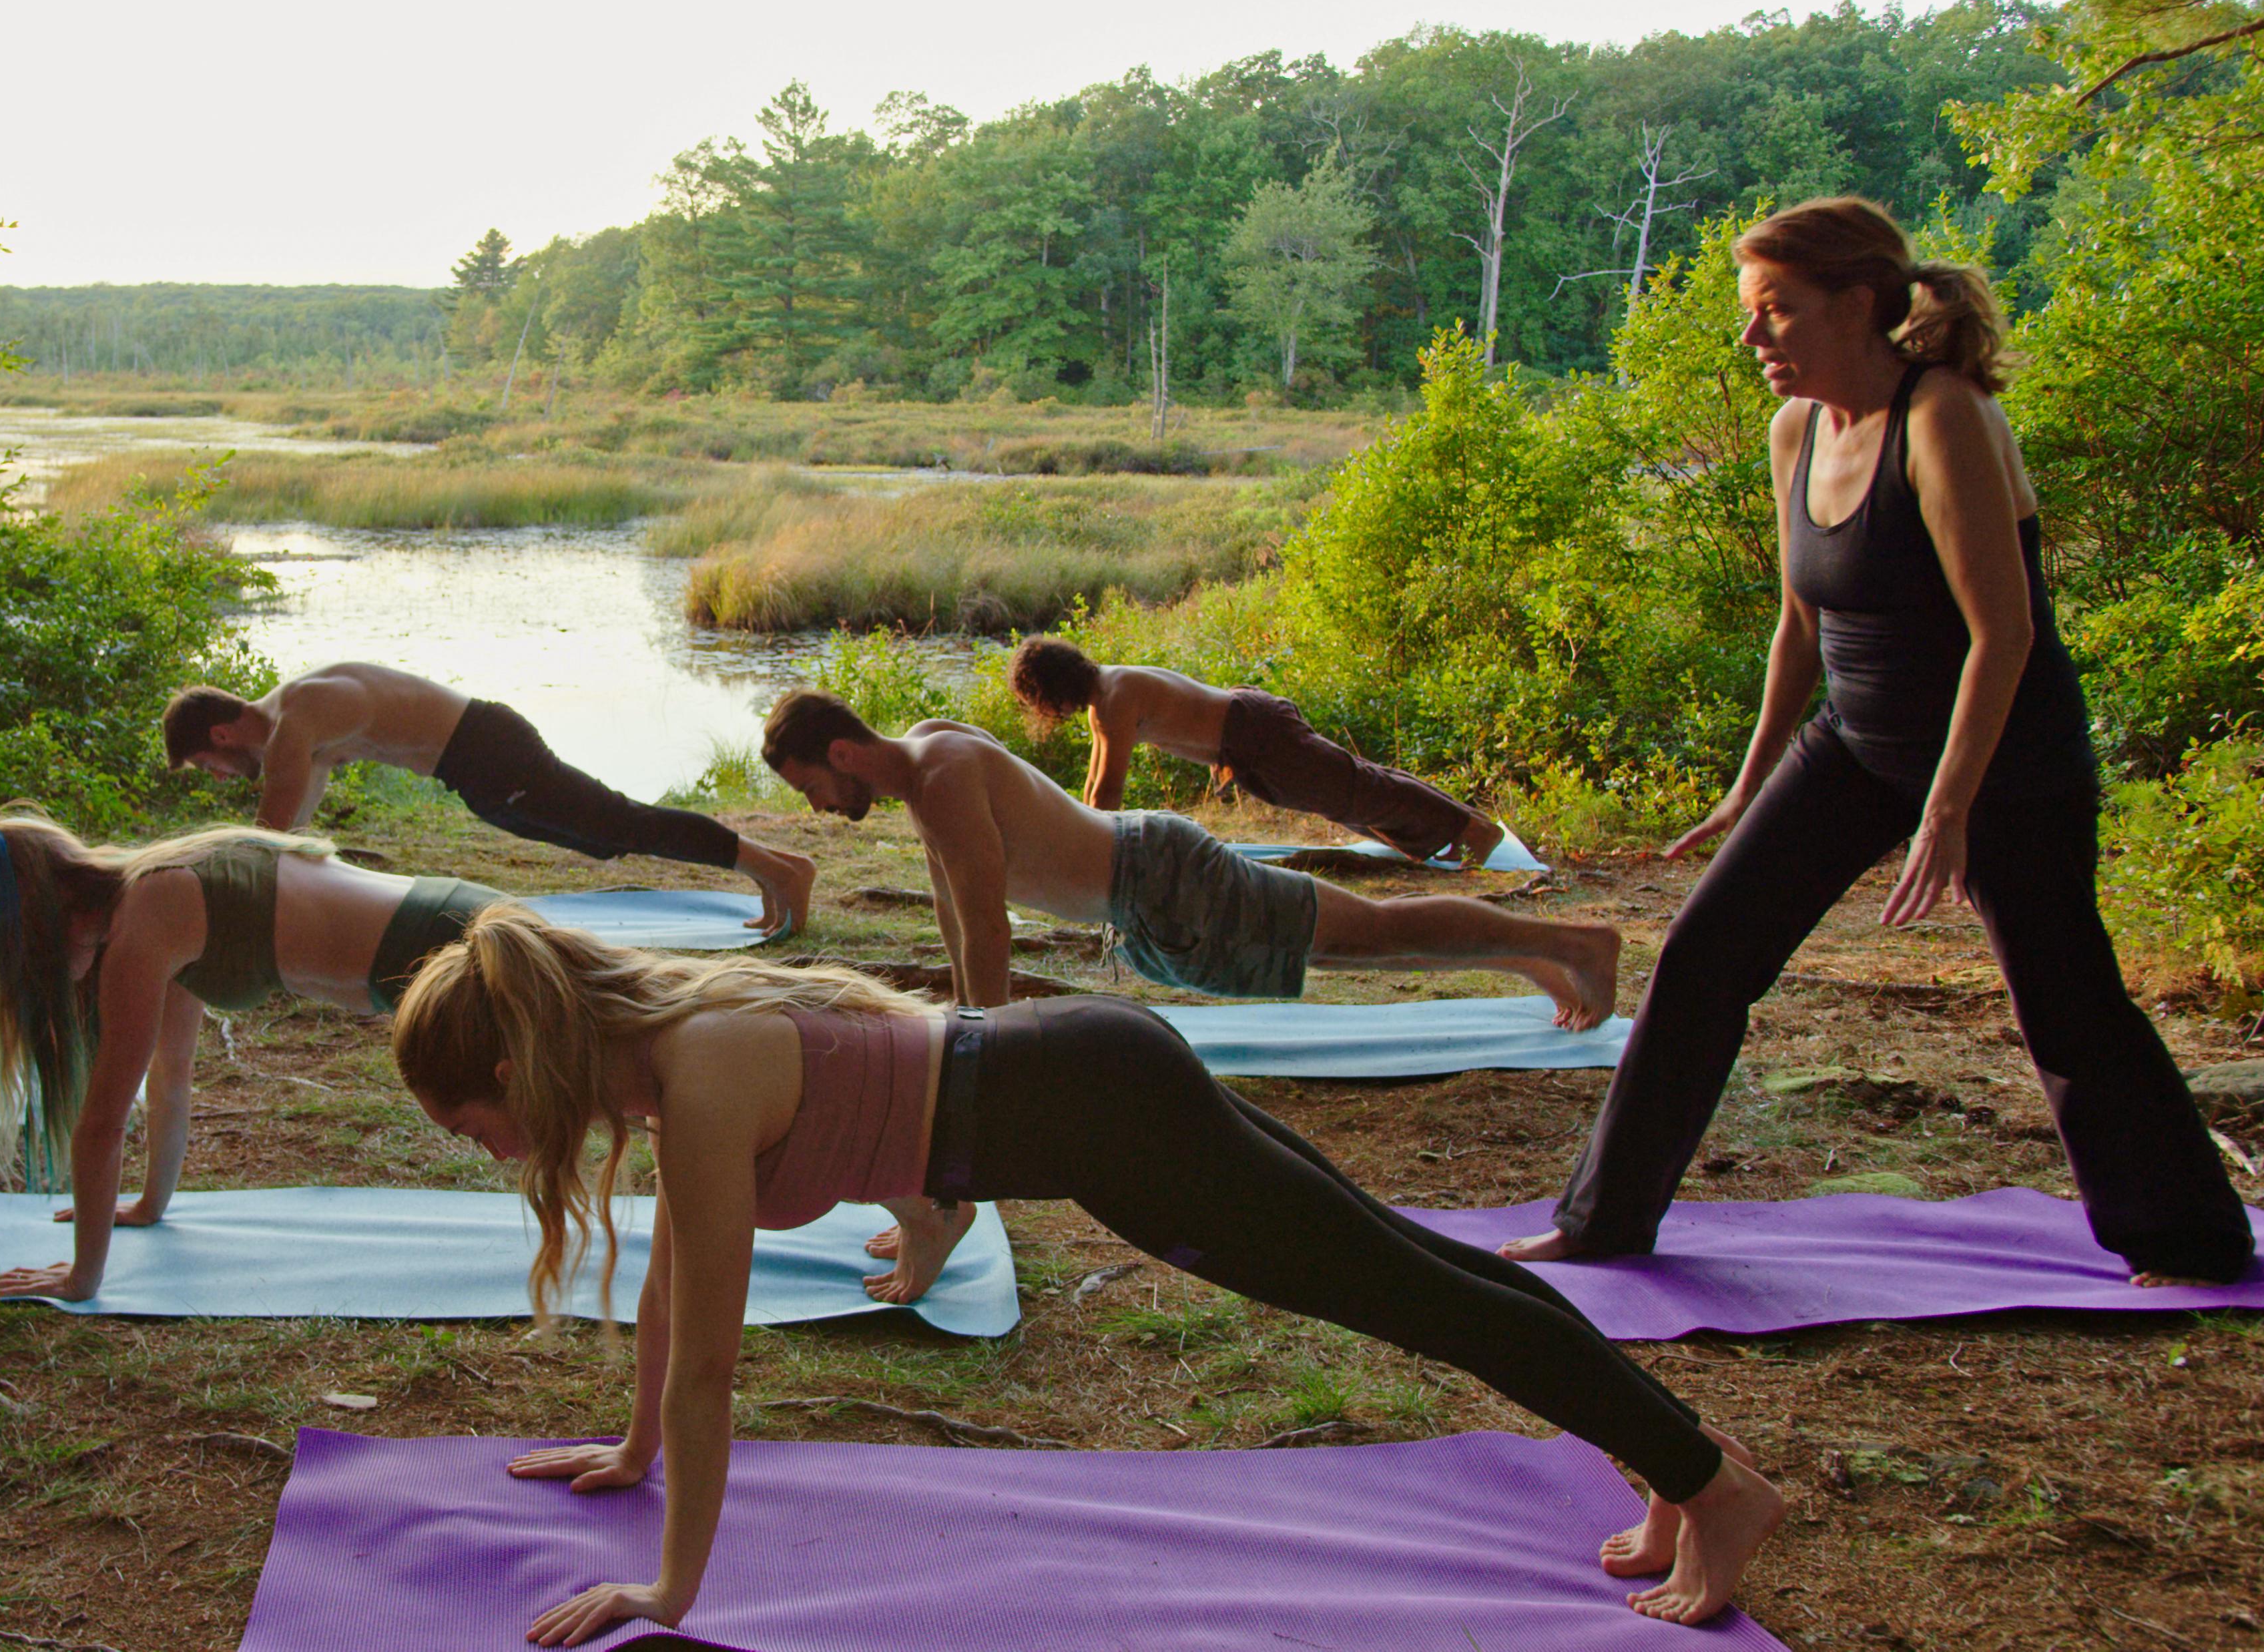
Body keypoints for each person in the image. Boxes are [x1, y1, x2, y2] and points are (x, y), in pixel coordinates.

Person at [391, 908, 1784, 1643]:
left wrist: (669, 1595)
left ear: (512, 1070)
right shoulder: (667, 1055)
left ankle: (1717, 1488)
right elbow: (678, 1290)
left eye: (469, 1124)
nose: (485, 1148)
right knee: (1416, 1266)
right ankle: (1672, 1464)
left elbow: (709, 1356)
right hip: (1097, 1069)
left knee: (1408, 1292)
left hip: (1109, 1110)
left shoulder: (693, 1072)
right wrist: (634, 1453)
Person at [1496, 199, 2255, 1287]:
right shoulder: (1794, 429)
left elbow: (2003, 632)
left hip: (2003, 754)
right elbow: (1797, 625)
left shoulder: (1941, 417)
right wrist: (1746, 782)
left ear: (1855, 305)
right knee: (1704, 956)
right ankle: (1603, 1217)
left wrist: (1947, 810)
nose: (1752, 339)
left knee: (2063, 996)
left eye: (1775, 313)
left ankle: (2185, 1238)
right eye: (1750, 315)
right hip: (1852, 743)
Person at [756, 690, 1615, 1025]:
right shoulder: (927, 756)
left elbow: (987, 927)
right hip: (1148, 883)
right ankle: (1538, 958)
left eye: (810, 790)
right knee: (1351, 945)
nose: (819, 811)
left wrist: (987, 1040)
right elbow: (953, 904)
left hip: (1160, 875)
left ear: (840, 756)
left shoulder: (939, 779)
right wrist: (971, 1019)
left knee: (1363, 937)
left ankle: (1574, 946)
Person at [0, 810, 510, 1300]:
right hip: (459, 923)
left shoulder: (146, 921)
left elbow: (102, 1126)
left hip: (454, 947)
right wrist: (149, 1206)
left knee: (571, 1094)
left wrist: (83, 1277)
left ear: (41, 918)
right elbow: (170, 1071)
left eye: (9, 952)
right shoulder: (159, 889)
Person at [162, 662, 816, 934]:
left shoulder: (295, 722)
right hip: (477, 771)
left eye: (207, 765)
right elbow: (292, 845)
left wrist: (206, 901)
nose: (218, 777)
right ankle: (768, 869)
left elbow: (269, 841)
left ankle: (780, 869)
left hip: (488, 749)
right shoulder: (299, 724)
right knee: (605, 839)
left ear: (222, 734)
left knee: (623, 824)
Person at [1006, 635, 1502, 865]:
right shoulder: (1107, 696)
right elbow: (1094, 789)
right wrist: (1070, 829)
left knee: (1356, 789)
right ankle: (1446, 838)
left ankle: (1473, 830)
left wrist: (1076, 850)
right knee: (1350, 795)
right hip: (1249, 737)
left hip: (1256, 732)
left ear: (1052, 691)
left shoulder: (1116, 697)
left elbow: (1106, 796)